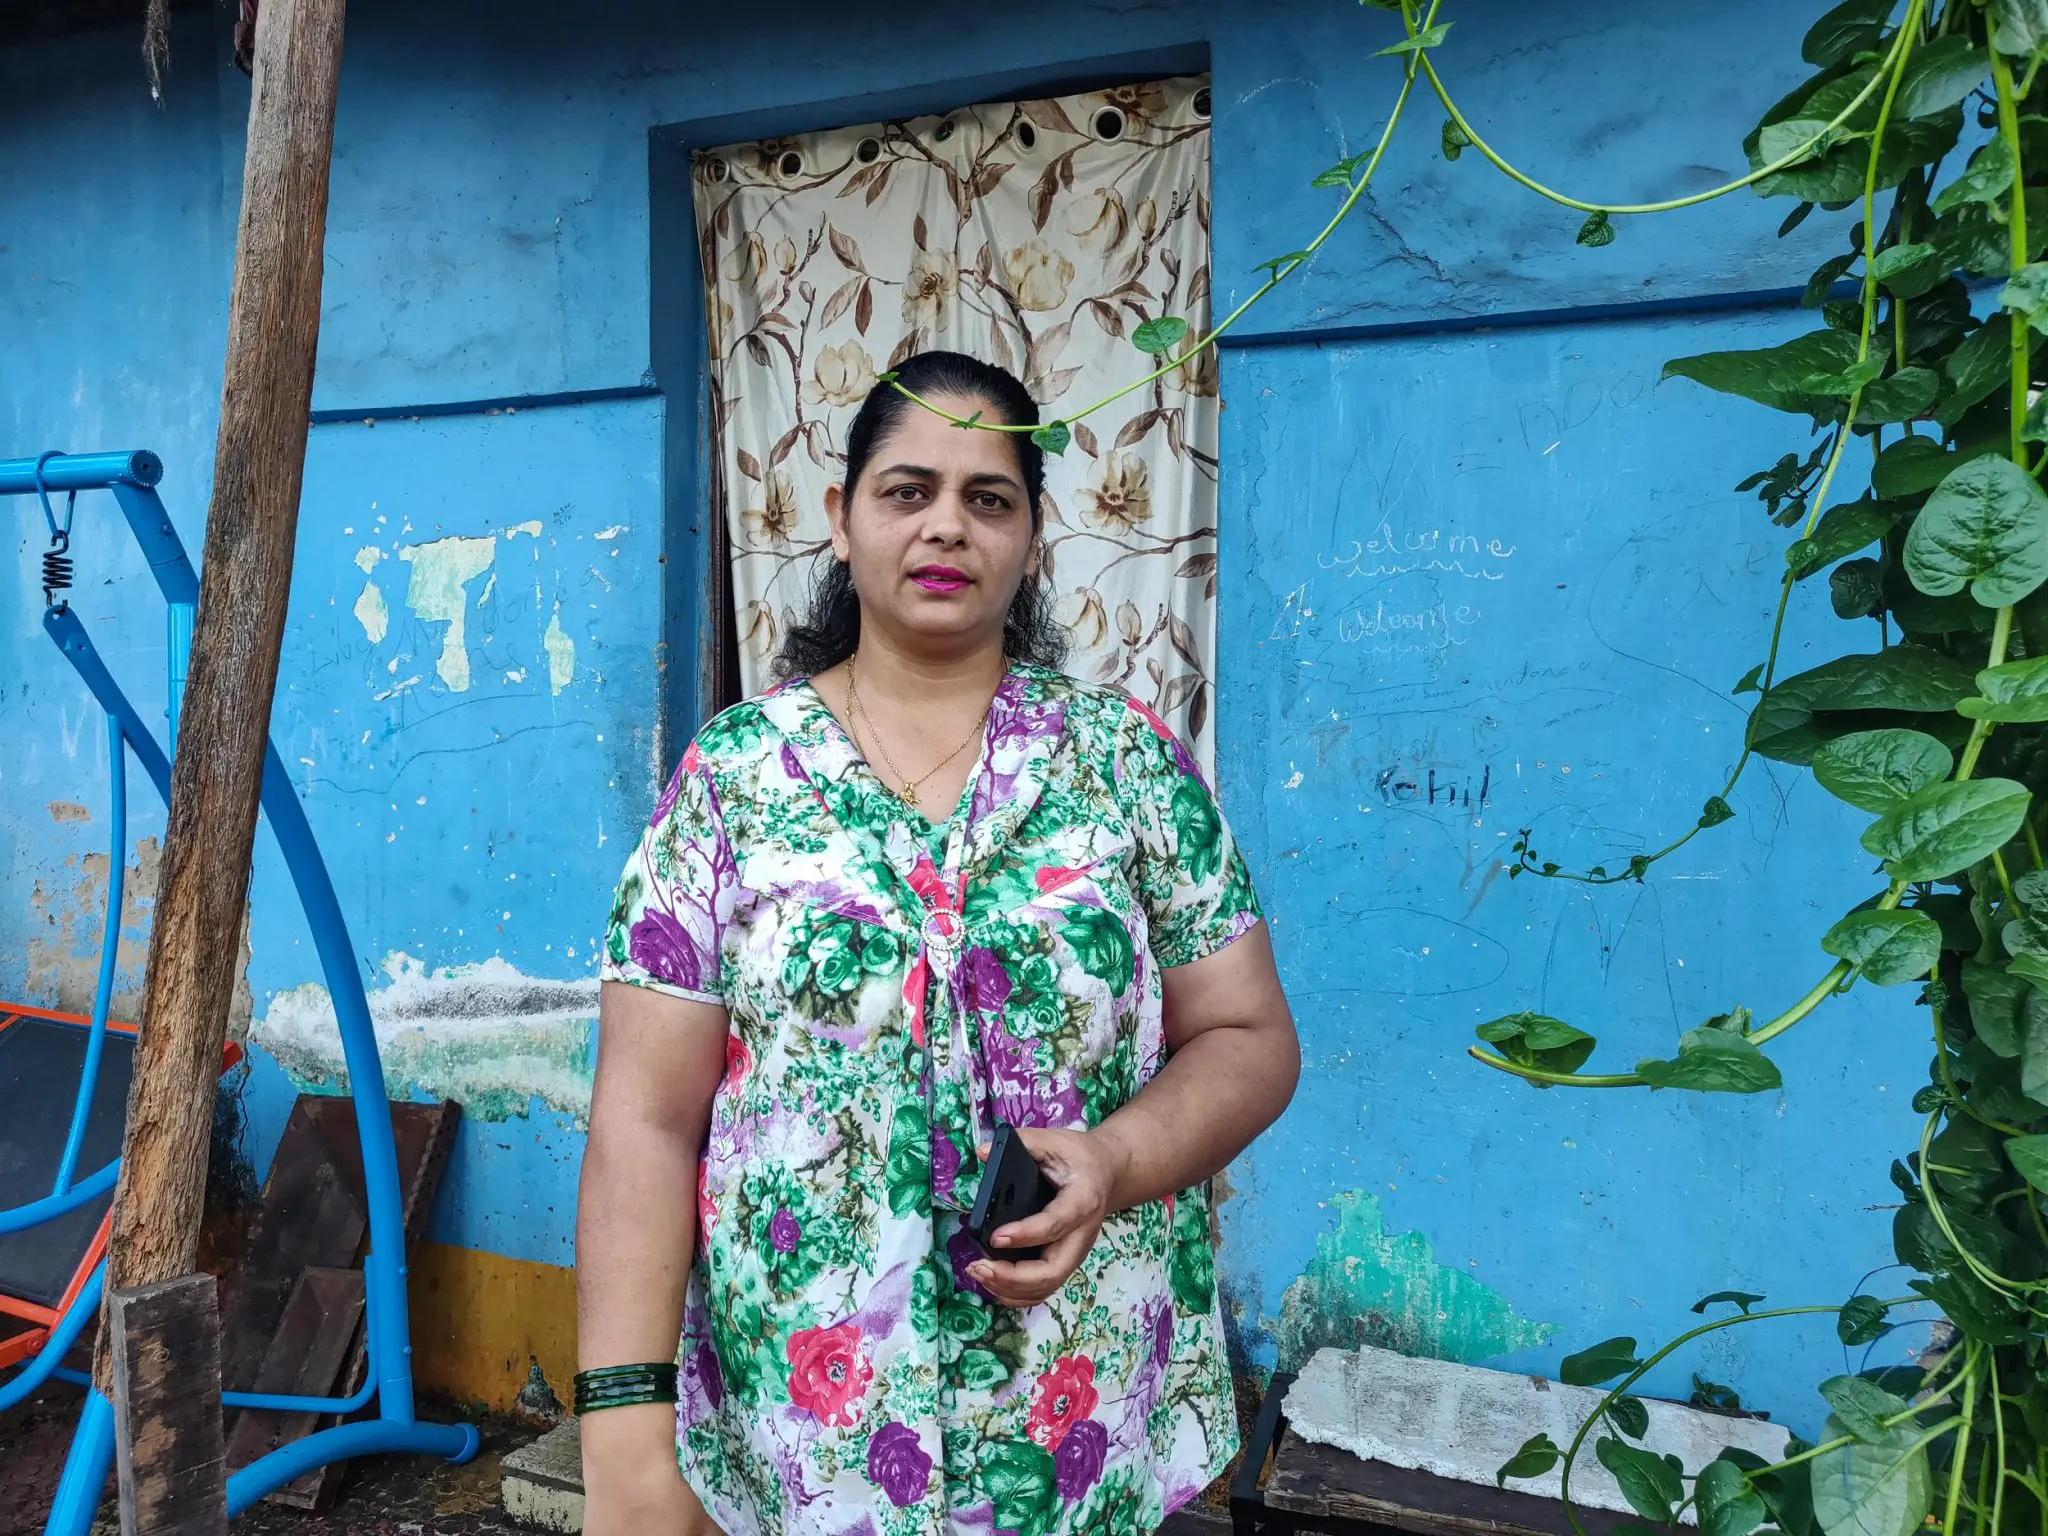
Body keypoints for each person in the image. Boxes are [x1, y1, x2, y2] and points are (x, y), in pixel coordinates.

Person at [577, 350, 1299, 1536]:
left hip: (1074, 1422)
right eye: (906, 490)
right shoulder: (733, 780)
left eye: (987, 497)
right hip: (800, 1444)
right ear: (840, 518)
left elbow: (1248, 1035)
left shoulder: (1121, 765)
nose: (945, 527)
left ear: (1027, 535)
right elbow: (645, 1120)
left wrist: (1113, 1159)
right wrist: (622, 1434)